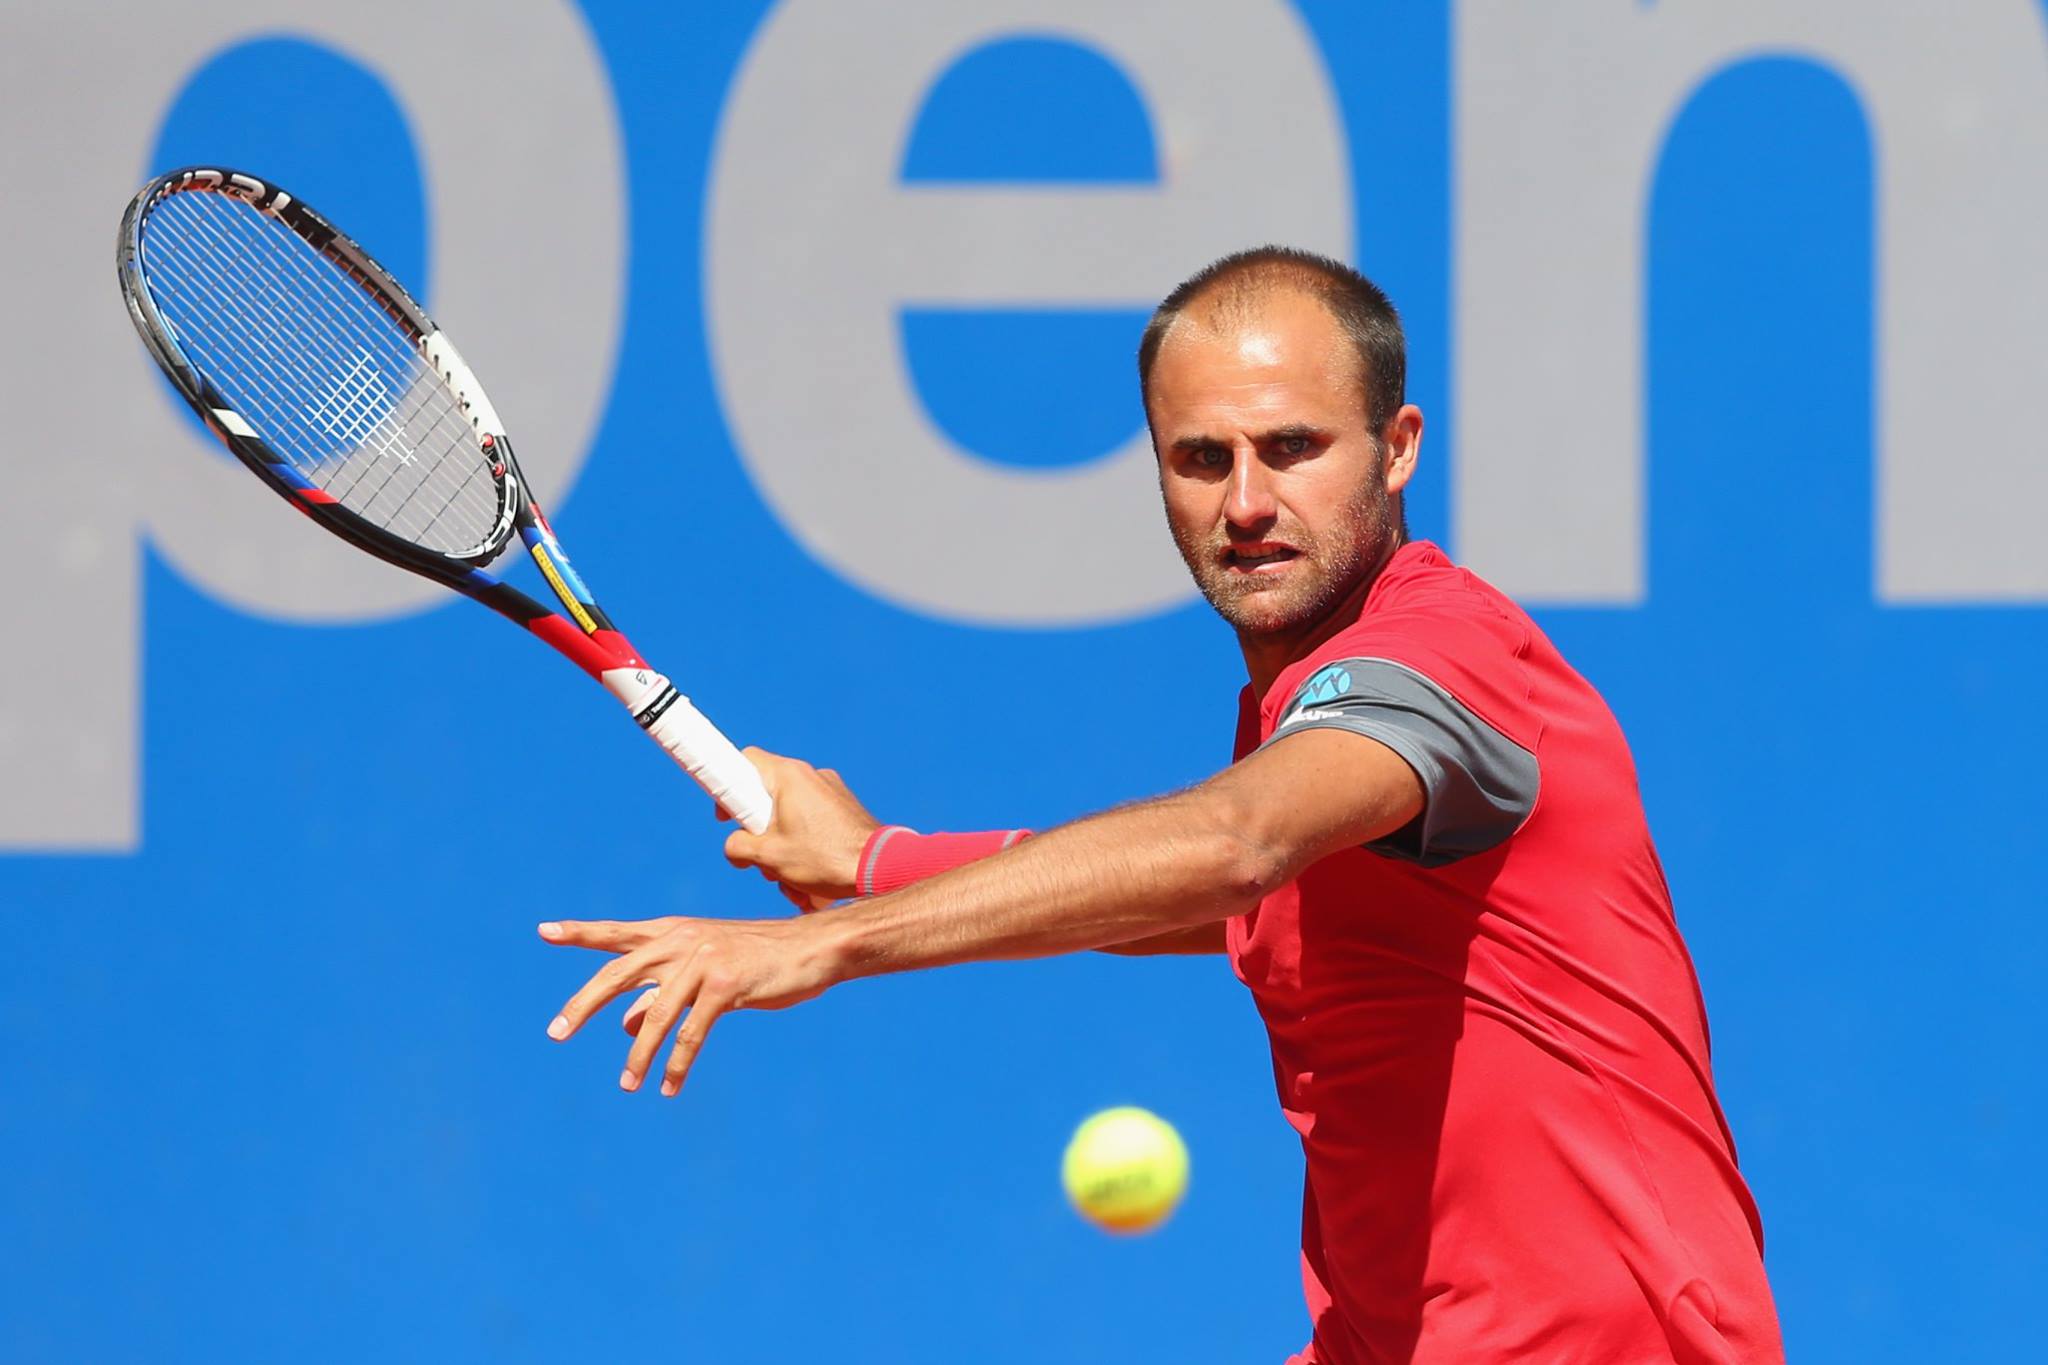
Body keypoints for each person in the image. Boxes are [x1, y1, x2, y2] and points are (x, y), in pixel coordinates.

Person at [538, 247, 1785, 1363]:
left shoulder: (1442, 659)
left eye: (1292, 447)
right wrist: (876, 861)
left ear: (1397, 447)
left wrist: (827, 940)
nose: (1244, 503)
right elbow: (1218, 896)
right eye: (1201, 460)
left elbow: (1236, 846)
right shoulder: (1303, 714)